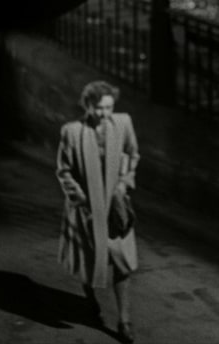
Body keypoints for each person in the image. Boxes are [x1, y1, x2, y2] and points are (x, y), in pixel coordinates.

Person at [56, 80, 140, 343]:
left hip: (114, 208)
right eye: (100, 108)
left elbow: (133, 155)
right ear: (88, 106)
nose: (105, 113)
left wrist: (123, 185)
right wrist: (80, 199)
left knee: (122, 263)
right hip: (87, 208)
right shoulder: (71, 132)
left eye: (109, 107)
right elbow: (64, 171)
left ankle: (124, 321)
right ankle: (90, 298)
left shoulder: (123, 123)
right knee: (88, 259)